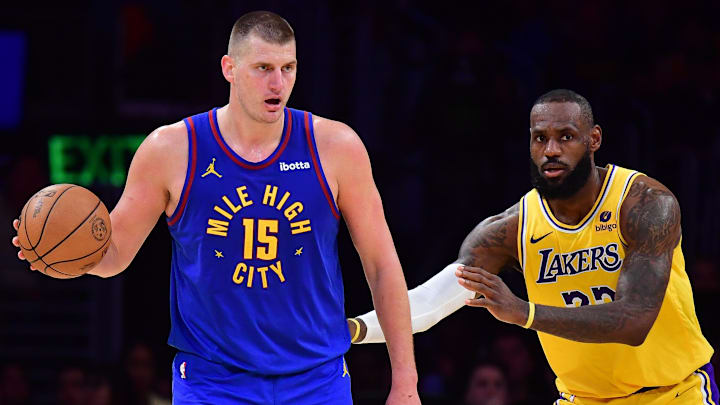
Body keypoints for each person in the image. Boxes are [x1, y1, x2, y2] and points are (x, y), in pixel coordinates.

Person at [12, 11, 419, 404]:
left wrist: (405, 383)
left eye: (288, 68)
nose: (278, 82)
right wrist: (62, 255)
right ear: (229, 68)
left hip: (316, 378)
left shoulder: (337, 147)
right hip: (213, 382)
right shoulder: (171, 149)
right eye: (263, 68)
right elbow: (113, 253)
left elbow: (381, 264)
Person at [348, 89, 718, 404]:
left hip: (673, 393)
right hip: (581, 398)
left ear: (594, 139)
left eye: (566, 137)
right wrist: (351, 329)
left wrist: (524, 312)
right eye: (540, 138)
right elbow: (430, 303)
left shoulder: (645, 203)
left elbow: (634, 321)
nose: (551, 150)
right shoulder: (510, 229)